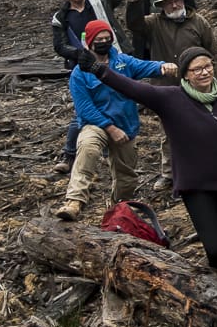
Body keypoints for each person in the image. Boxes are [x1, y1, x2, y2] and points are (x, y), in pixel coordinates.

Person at [84, 46, 217, 279]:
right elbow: (132, 88)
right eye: (196, 69)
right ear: (185, 74)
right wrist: (99, 70)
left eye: (207, 66)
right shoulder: (171, 98)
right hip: (196, 186)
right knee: (216, 249)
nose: (204, 72)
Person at [56, 20, 172, 221]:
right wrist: (109, 128)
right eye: (98, 39)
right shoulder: (79, 73)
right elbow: (84, 108)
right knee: (88, 147)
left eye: (106, 38)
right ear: (90, 43)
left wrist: (163, 67)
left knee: (126, 175)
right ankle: (75, 200)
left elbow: (144, 66)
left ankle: (120, 207)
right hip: (97, 124)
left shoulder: (122, 62)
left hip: (126, 124)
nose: (103, 42)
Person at [51, 0, 126, 167]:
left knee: (114, 101)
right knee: (83, 110)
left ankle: (111, 150)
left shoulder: (99, 1)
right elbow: (59, 46)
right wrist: (78, 54)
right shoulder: (62, 17)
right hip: (83, 68)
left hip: (109, 60)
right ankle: (69, 154)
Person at [138, 0, 217, 71]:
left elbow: (214, 53)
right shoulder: (154, 23)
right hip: (164, 82)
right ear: (162, 6)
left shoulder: (199, 21)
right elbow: (134, 23)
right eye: (169, 3)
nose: (174, 6)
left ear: (182, 0)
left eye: (176, 1)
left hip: (195, 80)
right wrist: (134, 0)